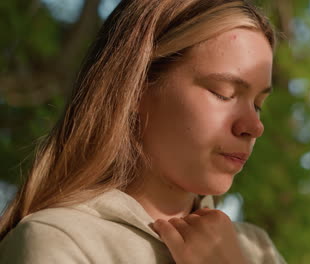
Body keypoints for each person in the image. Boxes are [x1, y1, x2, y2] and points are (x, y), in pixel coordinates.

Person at [0, 0, 286, 263]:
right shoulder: (58, 241)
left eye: (258, 104)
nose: (254, 126)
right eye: (223, 93)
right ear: (136, 87)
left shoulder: (256, 249)